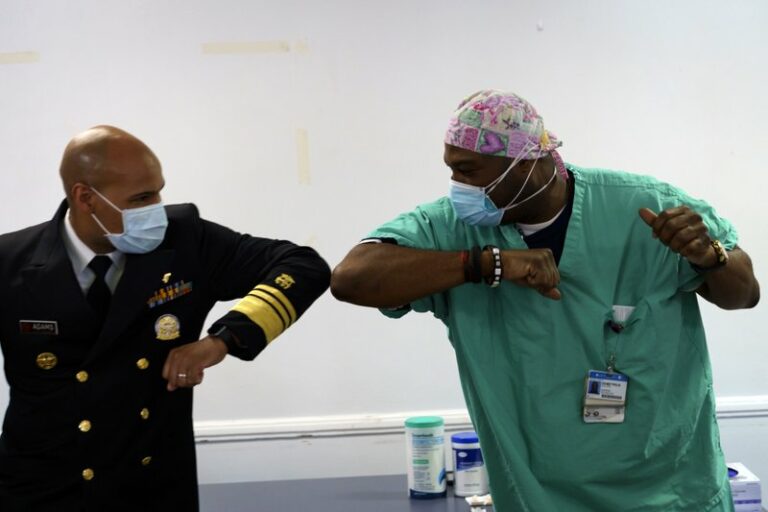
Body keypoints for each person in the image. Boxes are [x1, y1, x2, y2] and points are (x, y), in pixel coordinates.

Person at [331, 90, 760, 511]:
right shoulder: (453, 229)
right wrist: (487, 263)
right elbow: (352, 277)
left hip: (671, 493)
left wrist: (711, 256)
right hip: (537, 495)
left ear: (526, 163)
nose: (458, 186)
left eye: (468, 170)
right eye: (452, 170)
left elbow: (745, 294)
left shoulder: (645, 208)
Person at [0, 126, 331, 511]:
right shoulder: (11, 263)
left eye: (158, 192)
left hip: (150, 484)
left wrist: (222, 340)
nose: (156, 209)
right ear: (85, 197)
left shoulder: (185, 241)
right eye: (142, 198)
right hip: (43, 488)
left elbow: (304, 267)